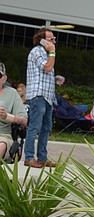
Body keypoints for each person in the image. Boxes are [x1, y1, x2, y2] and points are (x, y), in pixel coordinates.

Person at [23, 27, 57, 168]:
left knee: (46, 128)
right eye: (51, 39)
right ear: (42, 40)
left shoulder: (46, 53)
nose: (54, 41)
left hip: (47, 96)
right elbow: (47, 68)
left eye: (54, 39)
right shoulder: (37, 51)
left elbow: (46, 73)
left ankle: (42, 158)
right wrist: (52, 52)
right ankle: (29, 158)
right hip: (38, 96)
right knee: (35, 127)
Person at [0, 63, 28, 162]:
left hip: (3, 135)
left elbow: (24, 120)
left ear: (4, 78)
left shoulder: (12, 93)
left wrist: (7, 116)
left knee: (1, 145)